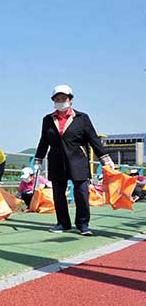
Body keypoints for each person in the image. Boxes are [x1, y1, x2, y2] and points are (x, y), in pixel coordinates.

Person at [34, 84, 114, 235]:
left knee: (82, 193)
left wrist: (105, 158)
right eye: (57, 99)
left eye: (63, 98)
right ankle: (63, 223)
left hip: (78, 161)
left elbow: (93, 139)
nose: (60, 101)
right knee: (58, 195)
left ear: (70, 100)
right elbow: (44, 141)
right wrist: (38, 160)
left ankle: (83, 224)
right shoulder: (48, 120)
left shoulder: (82, 118)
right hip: (56, 161)